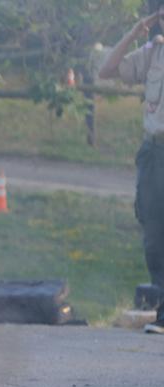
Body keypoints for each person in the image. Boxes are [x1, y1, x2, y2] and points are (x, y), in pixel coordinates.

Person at [100, 1, 164, 333]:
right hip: (154, 153)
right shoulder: (154, 54)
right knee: (154, 238)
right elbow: (106, 70)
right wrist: (134, 33)